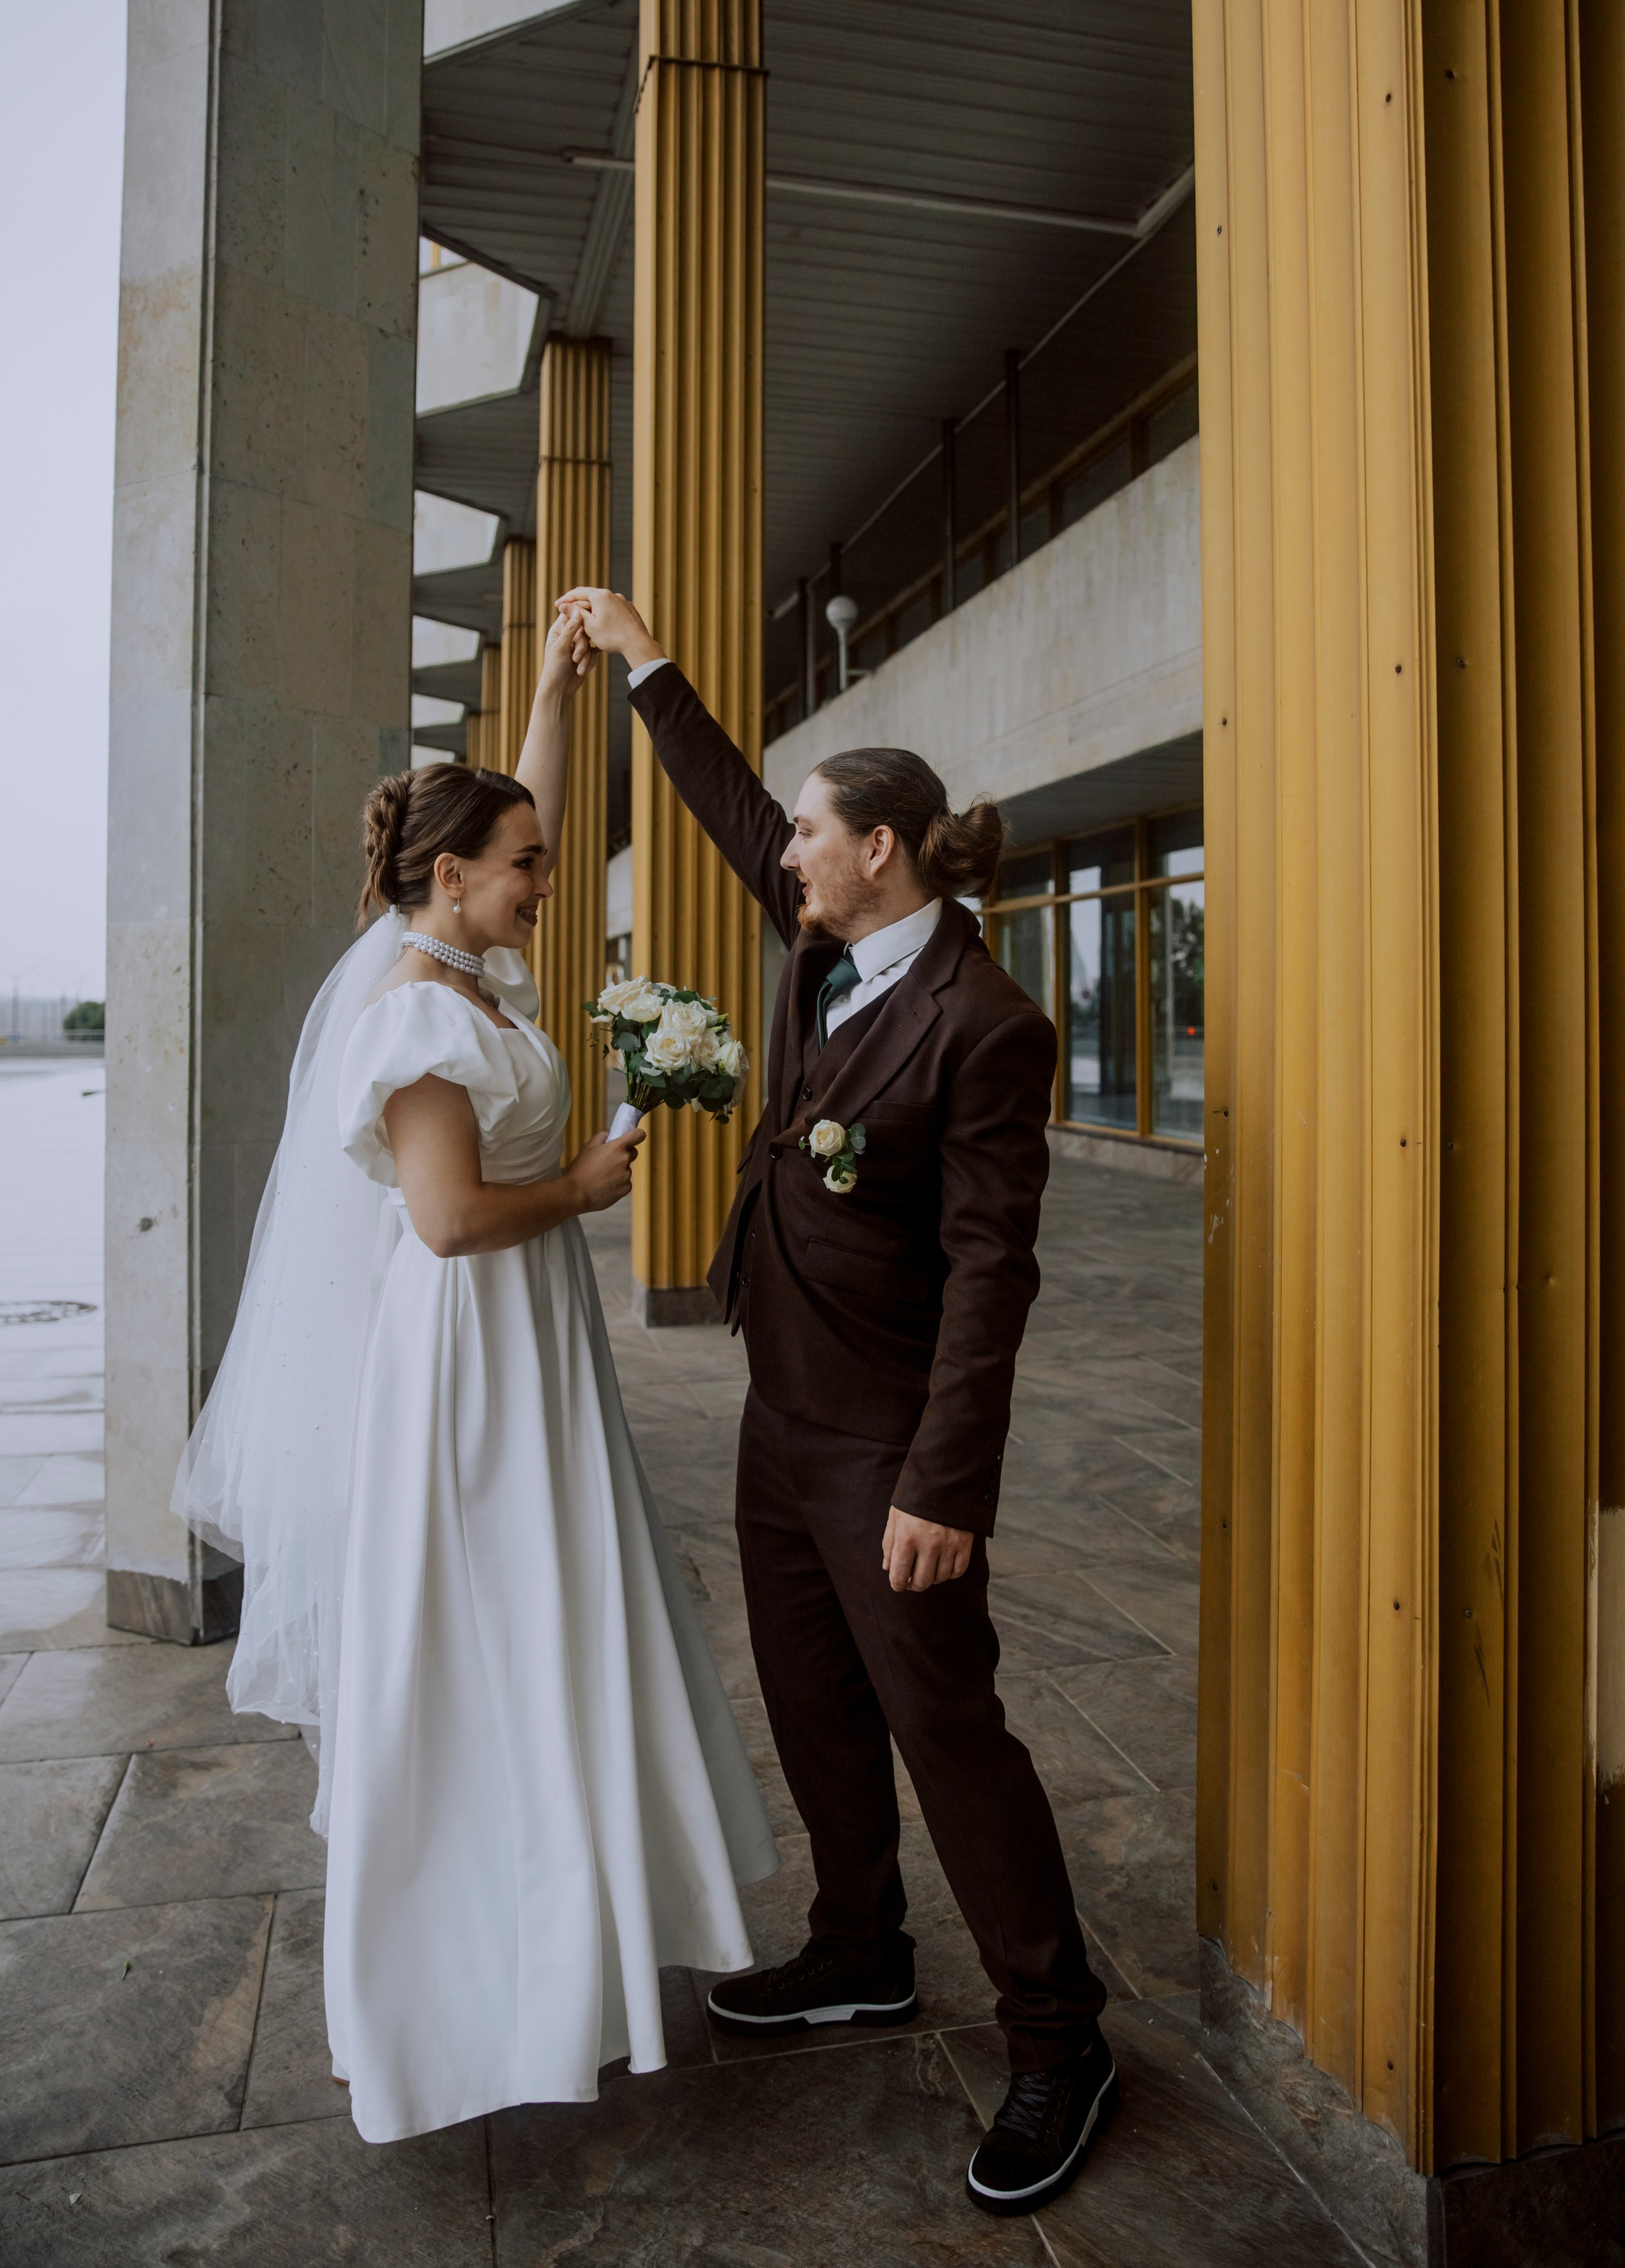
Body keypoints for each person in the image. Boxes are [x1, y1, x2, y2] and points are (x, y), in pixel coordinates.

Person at [174, 609, 777, 2145]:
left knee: (551, 1621)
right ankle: (445, 2002)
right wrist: (580, 1189)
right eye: (526, 868)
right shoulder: (417, 1018)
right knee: (478, 1643)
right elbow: (444, 1222)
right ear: (449, 878)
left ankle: (575, 1953)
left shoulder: (471, 971)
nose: (544, 881)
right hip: (470, 1359)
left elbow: (522, 808)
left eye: (541, 862)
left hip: (530, 1339)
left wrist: (559, 693)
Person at [564, 586, 1116, 2219]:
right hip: (778, 1414)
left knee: (947, 1728)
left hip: (887, 1440)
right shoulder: (824, 945)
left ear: (880, 848)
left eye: (814, 831)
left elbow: (991, 1274)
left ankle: (1059, 2037)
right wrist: (646, 665)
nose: (787, 852)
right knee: (810, 1699)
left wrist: (943, 1484)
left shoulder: (986, 1026)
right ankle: (860, 1947)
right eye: (795, 834)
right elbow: (736, 808)